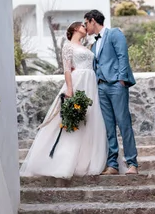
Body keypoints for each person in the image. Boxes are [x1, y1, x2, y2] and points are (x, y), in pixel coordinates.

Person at [20, 22, 107, 178]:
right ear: (74, 29)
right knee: (73, 118)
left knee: (91, 117)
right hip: (78, 80)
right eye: (82, 25)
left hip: (91, 82)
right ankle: (62, 159)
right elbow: (67, 69)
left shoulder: (86, 46)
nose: (84, 27)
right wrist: (69, 89)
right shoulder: (68, 46)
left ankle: (87, 158)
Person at [84, 9, 138, 175]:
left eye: (86, 23)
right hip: (101, 87)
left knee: (123, 123)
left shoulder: (114, 33)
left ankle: (132, 163)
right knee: (108, 127)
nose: (86, 27)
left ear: (93, 21)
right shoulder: (93, 44)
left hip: (116, 85)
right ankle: (113, 164)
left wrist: (121, 79)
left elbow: (123, 55)